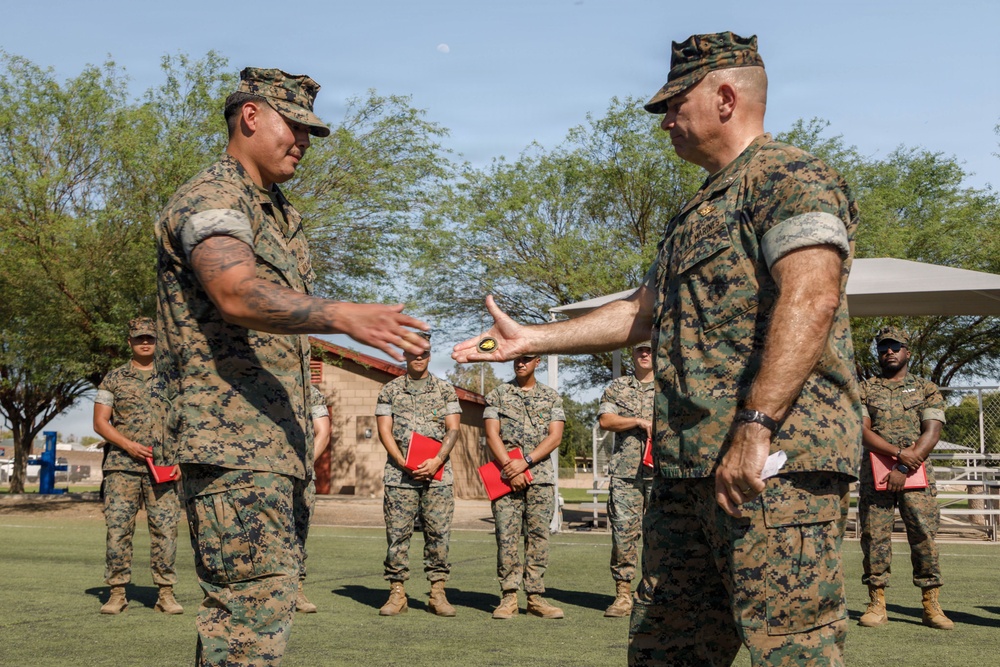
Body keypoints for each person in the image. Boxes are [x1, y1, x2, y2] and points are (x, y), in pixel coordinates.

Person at [454, 32, 861, 665]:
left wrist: (756, 426)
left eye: (674, 105)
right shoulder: (694, 210)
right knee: (665, 648)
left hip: (770, 465)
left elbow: (812, 298)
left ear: (725, 98)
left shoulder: (790, 176)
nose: (666, 120)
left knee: (791, 650)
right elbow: (642, 312)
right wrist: (532, 338)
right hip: (685, 467)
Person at [155, 67, 428, 666]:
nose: (303, 142)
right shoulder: (214, 197)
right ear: (251, 117)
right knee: (248, 619)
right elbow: (235, 293)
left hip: (276, 448)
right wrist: (341, 316)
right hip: (233, 445)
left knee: (255, 618)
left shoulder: (277, 211)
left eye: (310, 132)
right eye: (295, 126)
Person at [857, 326, 954, 630]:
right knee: (874, 536)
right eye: (883, 347)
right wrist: (899, 455)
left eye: (895, 346)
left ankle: (931, 604)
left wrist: (903, 468)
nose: (889, 352)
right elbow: (861, 431)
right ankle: (877, 603)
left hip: (916, 473)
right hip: (877, 476)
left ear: (907, 352)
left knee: (924, 535)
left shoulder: (926, 388)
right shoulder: (864, 389)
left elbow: (932, 432)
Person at [94, 316, 183, 616]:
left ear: (158, 341)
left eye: (150, 338)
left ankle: (165, 593)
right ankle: (117, 592)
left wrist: (181, 458)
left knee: (166, 531)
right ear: (129, 341)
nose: (145, 342)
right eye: (139, 338)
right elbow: (100, 423)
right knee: (118, 530)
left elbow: (185, 422)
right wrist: (127, 444)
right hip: (122, 467)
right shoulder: (113, 378)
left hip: (164, 468)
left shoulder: (172, 378)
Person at [374, 331, 461, 617]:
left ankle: (437, 593)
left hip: (437, 476)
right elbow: (384, 430)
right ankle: (397, 593)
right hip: (400, 476)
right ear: (405, 354)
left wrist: (437, 461)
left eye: (424, 352)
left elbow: (453, 429)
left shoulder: (445, 389)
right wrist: (401, 461)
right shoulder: (390, 390)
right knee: (397, 535)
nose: (419, 357)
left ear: (430, 355)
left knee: (439, 534)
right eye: (413, 352)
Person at [484, 355, 566, 620]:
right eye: (517, 359)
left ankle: (535, 597)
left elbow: (555, 436)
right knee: (506, 537)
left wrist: (526, 462)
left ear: (537, 362)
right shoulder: (498, 394)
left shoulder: (551, 397)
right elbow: (491, 434)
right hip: (506, 478)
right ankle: (508, 596)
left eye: (527, 359)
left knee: (538, 537)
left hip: (539, 479)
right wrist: (511, 467)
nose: (521, 363)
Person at [597, 341, 654, 618]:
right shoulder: (618, 387)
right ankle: (623, 595)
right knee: (623, 535)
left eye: (650, 350)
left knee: (661, 536)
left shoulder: (669, 387)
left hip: (661, 474)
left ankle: (653, 593)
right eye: (640, 350)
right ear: (632, 353)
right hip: (625, 475)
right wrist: (638, 421)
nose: (645, 354)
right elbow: (606, 421)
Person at [292, 384, 332, 614]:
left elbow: (323, 432)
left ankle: (295, 590)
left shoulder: (310, 392)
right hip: (262, 476)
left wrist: (303, 467)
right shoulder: (255, 382)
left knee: (297, 534)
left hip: (300, 479)